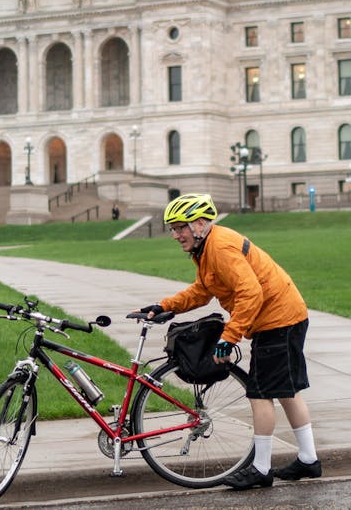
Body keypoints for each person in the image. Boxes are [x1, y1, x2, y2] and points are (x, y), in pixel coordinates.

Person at [137, 193, 320, 490]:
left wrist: (228, 338)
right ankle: (309, 459)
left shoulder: (219, 247)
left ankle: (261, 469)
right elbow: (202, 290)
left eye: (180, 227)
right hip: (286, 317)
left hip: (277, 320)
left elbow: (251, 293)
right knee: (287, 390)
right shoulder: (208, 248)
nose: (175, 235)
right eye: (172, 228)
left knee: (259, 394)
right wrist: (164, 306)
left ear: (199, 223)